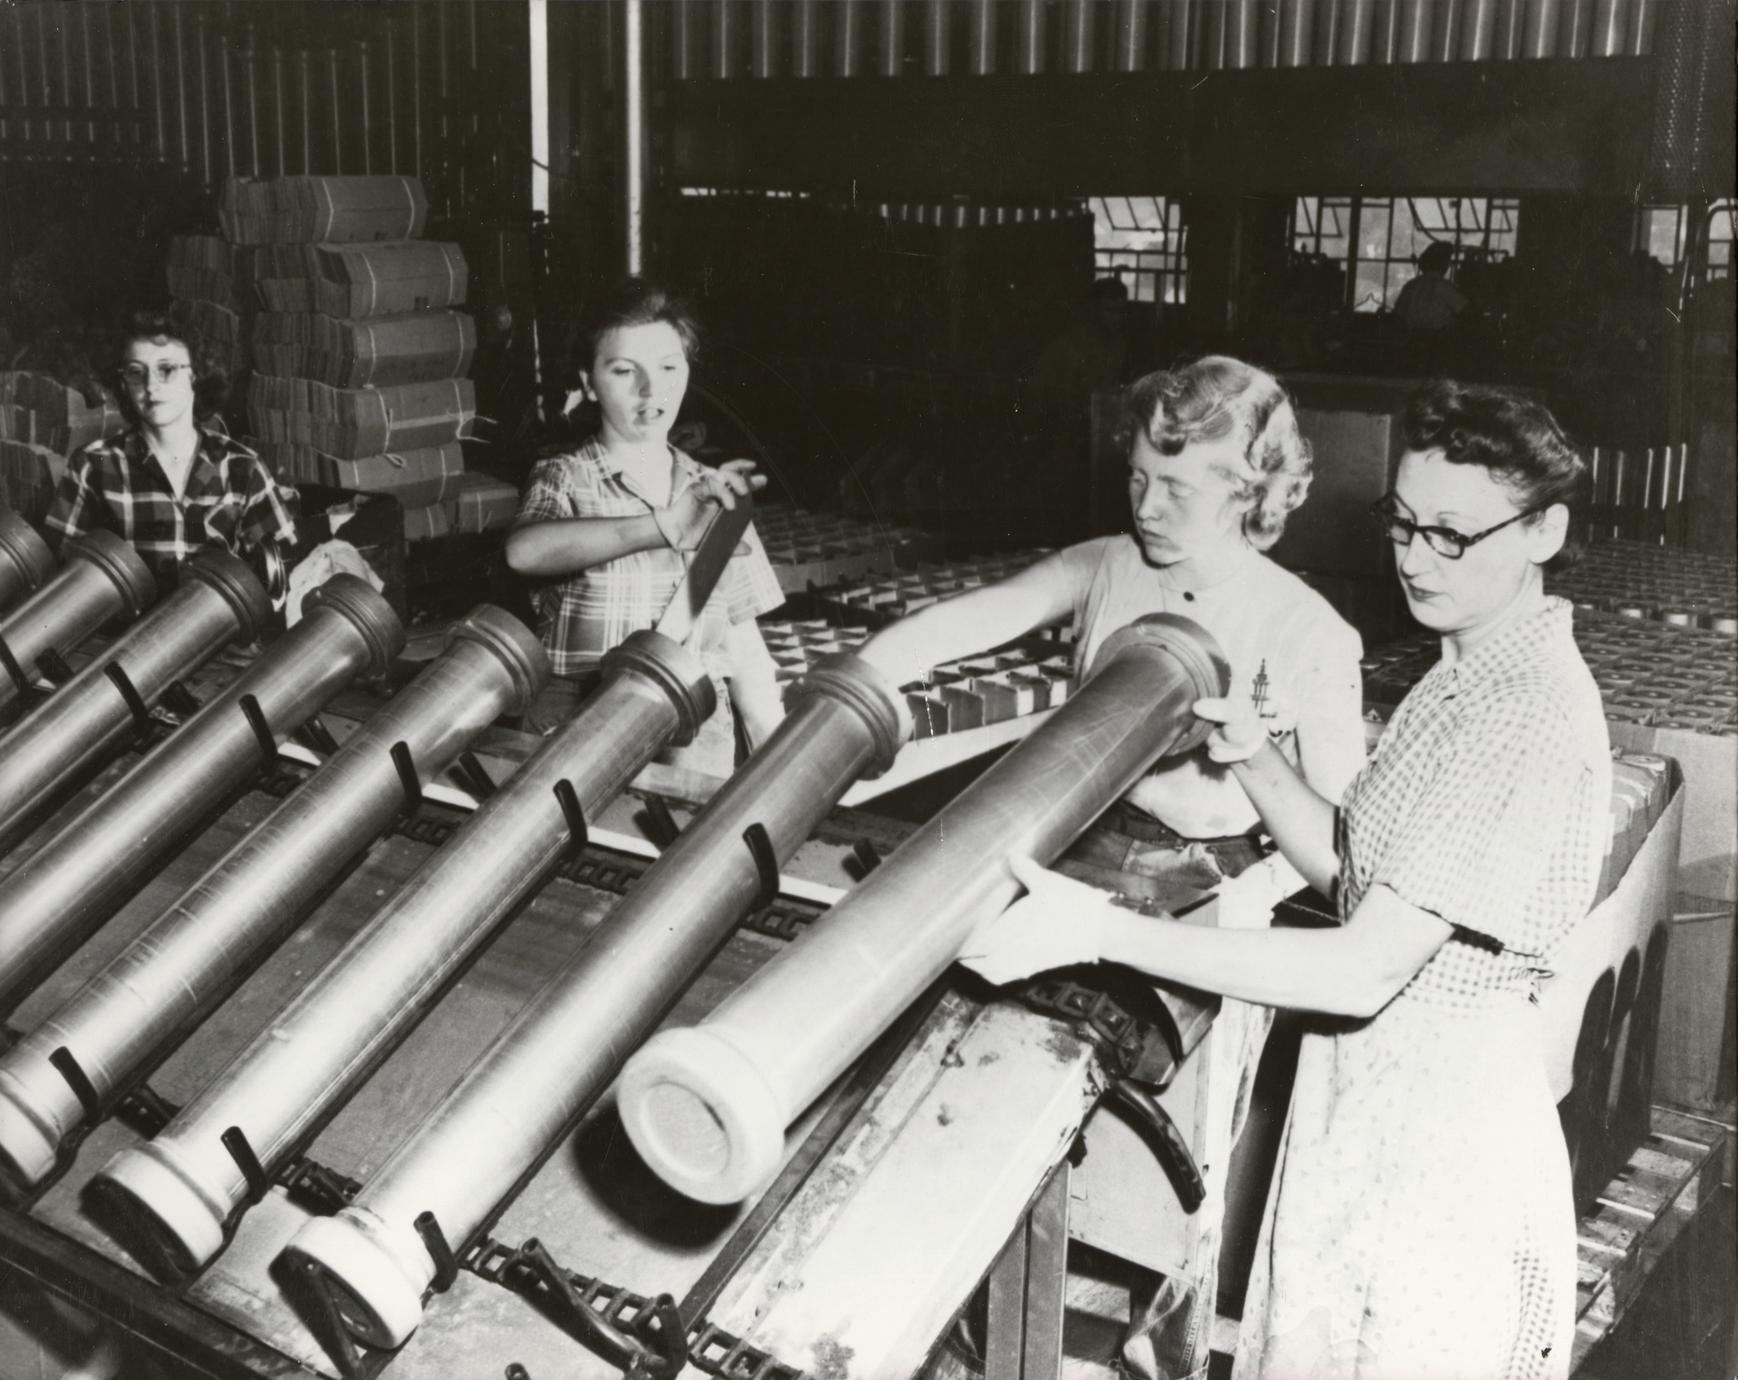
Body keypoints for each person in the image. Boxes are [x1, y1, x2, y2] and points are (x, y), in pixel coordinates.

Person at [961, 380, 1608, 1380]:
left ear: (1544, 530)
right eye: (1401, 524)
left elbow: (1359, 967)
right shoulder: (1460, 668)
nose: (1412, 557)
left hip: (1441, 1137)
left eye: (1451, 535)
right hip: (1370, 1101)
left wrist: (1101, 932)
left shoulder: (1520, 712)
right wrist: (1254, 753)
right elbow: (1348, 871)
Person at [862, 355, 1366, 890]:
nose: (1146, 508)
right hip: (1080, 832)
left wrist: (1255, 893)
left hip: (1212, 872)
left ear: (1247, 492)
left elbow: (1343, 849)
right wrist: (863, 675)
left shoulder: (1309, 630)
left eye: (1177, 489)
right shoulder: (1103, 565)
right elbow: (970, 619)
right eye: (1138, 477)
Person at [505, 281, 784, 778]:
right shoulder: (566, 478)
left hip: (694, 733)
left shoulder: (717, 494)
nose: (650, 391)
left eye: (668, 368)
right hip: (576, 726)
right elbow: (524, 552)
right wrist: (664, 525)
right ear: (589, 384)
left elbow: (747, 654)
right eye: (623, 371)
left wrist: (783, 778)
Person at [45, 308, 298, 593]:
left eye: (166, 369)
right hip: (124, 636)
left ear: (197, 375)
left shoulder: (244, 468)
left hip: (224, 634)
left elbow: (283, 576)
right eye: (136, 372)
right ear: (123, 383)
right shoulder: (93, 466)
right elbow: (58, 580)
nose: (151, 386)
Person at [1392, 241, 1469, 335]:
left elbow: (1397, 315)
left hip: (1410, 342)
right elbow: (1466, 312)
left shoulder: (1410, 286)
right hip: (1436, 342)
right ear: (1443, 263)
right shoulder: (1444, 287)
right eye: (1447, 260)